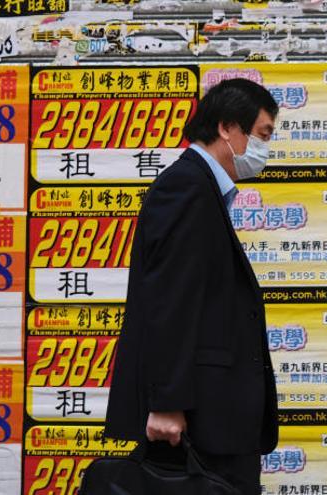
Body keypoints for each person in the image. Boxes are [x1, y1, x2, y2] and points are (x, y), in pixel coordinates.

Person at [105, 78, 279, 494]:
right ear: (226, 128)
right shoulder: (186, 187)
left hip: (213, 416)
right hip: (197, 419)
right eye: (262, 135)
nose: (266, 149)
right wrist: (166, 403)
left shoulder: (201, 189)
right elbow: (170, 302)